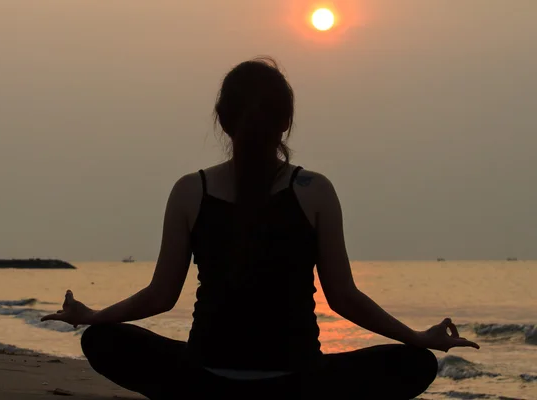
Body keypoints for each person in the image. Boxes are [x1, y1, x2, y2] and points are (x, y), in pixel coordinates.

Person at [42, 57, 479, 400]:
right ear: (286, 122)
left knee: (102, 341)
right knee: (417, 365)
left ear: (222, 119)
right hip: (298, 388)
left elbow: (160, 296)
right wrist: (417, 337)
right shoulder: (315, 191)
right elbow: (344, 298)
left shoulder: (189, 191)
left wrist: (92, 317)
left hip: (203, 384)